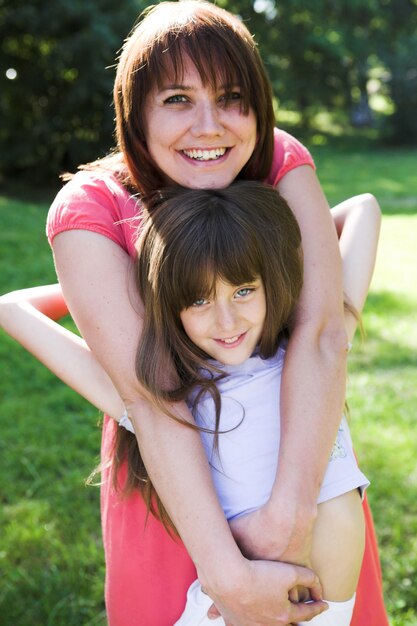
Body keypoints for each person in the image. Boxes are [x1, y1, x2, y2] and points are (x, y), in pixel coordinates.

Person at [40, 1, 388, 623]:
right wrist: (227, 573)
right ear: (135, 112)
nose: (209, 126)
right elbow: (153, 397)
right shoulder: (91, 208)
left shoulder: (277, 161)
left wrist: (289, 514)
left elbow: (322, 332)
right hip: (178, 502)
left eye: (231, 97)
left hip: (301, 470)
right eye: (177, 99)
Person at [0, 182, 380, 626]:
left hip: (329, 611)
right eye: (198, 299)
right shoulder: (163, 398)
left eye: (243, 290)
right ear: (169, 303)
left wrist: (265, 247)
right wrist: (123, 285)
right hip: (235, 612)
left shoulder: (313, 351)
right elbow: (11, 309)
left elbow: (363, 208)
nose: (227, 320)